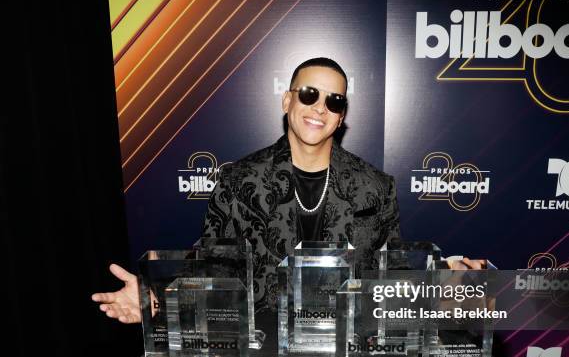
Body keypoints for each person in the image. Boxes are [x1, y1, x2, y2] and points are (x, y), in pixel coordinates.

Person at [92, 57, 483, 323]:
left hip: (344, 354)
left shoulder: (375, 187)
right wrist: (154, 300)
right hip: (261, 353)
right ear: (287, 99)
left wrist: (443, 278)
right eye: (309, 94)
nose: (319, 108)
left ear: (342, 115)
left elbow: (391, 276)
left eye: (334, 101)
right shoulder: (238, 180)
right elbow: (212, 269)